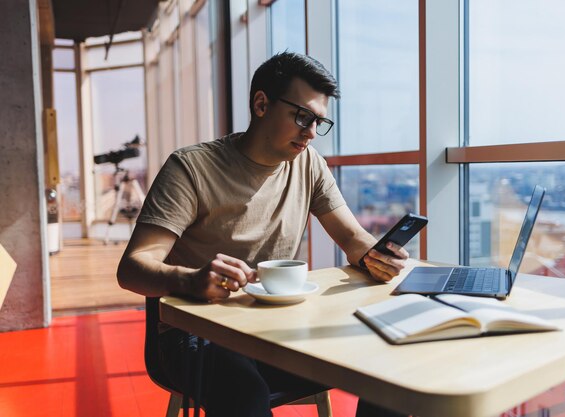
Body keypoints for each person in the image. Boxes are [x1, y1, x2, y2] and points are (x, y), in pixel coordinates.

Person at [117, 52, 408, 417]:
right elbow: (132, 268)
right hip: (198, 333)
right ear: (261, 104)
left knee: (390, 364)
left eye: (319, 121)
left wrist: (377, 255)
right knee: (243, 393)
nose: (311, 132)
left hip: (276, 327)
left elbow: (352, 238)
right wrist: (192, 280)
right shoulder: (191, 168)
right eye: (303, 116)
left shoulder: (308, 162)